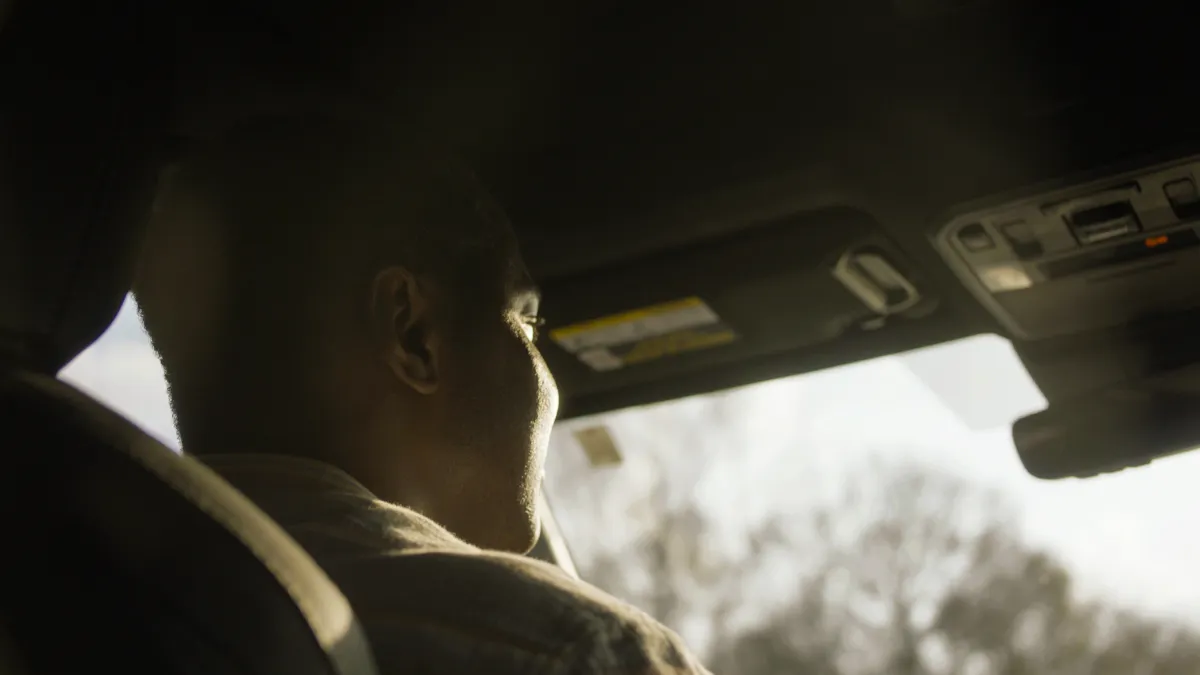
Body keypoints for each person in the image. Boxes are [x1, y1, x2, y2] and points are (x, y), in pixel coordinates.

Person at [133, 115, 712, 675]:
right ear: (415, 335)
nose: (552, 385)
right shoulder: (565, 651)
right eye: (527, 326)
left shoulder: (81, 608)